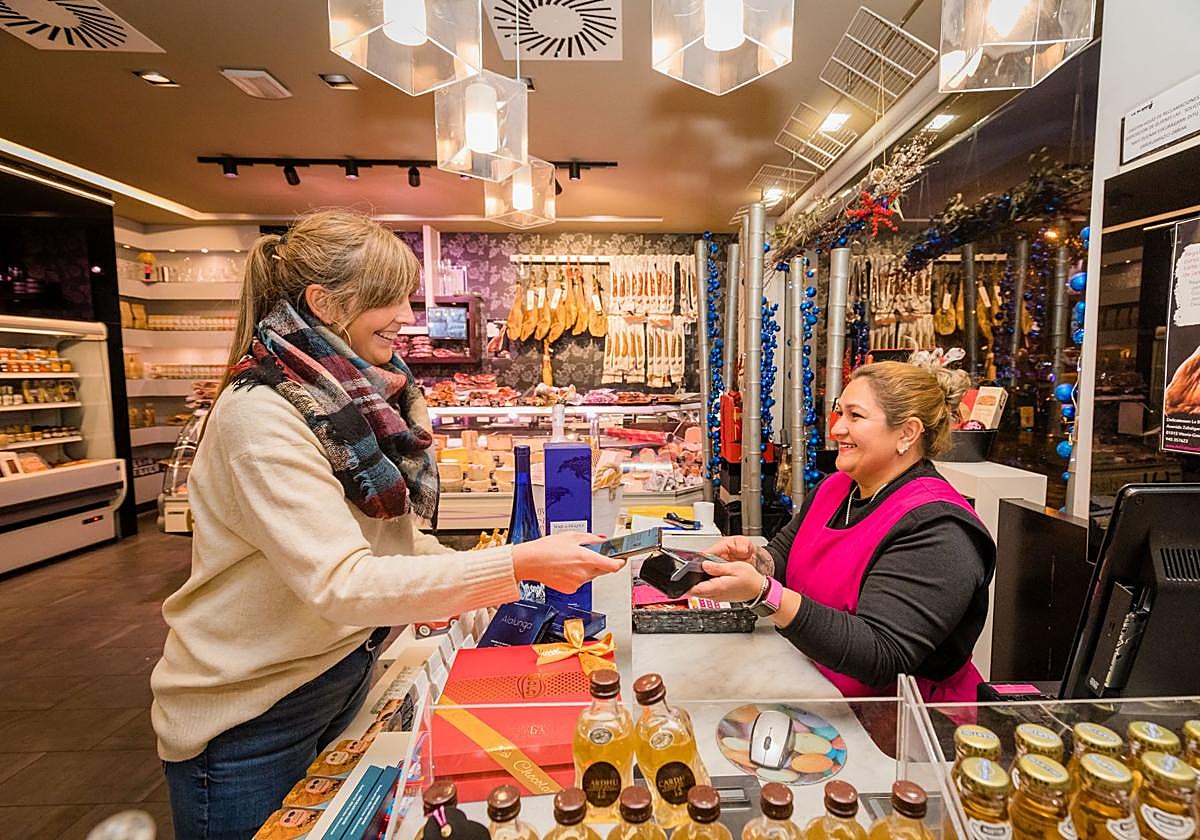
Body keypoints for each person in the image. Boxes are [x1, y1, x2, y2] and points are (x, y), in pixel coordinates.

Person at [150, 209, 623, 839]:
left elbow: (391, 543)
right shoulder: (261, 416)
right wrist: (518, 566)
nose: (408, 315)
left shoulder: (353, 399)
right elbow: (343, 583)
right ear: (325, 303)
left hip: (340, 670)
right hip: (251, 715)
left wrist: (511, 564)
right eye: (390, 300)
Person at [692, 360, 995, 703]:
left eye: (855, 416)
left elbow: (882, 654)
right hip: (817, 685)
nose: (836, 429)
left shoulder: (939, 529)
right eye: (839, 413)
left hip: (903, 724)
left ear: (907, 433)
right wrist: (755, 561)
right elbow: (784, 556)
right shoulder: (837, 487)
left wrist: (765, 595)